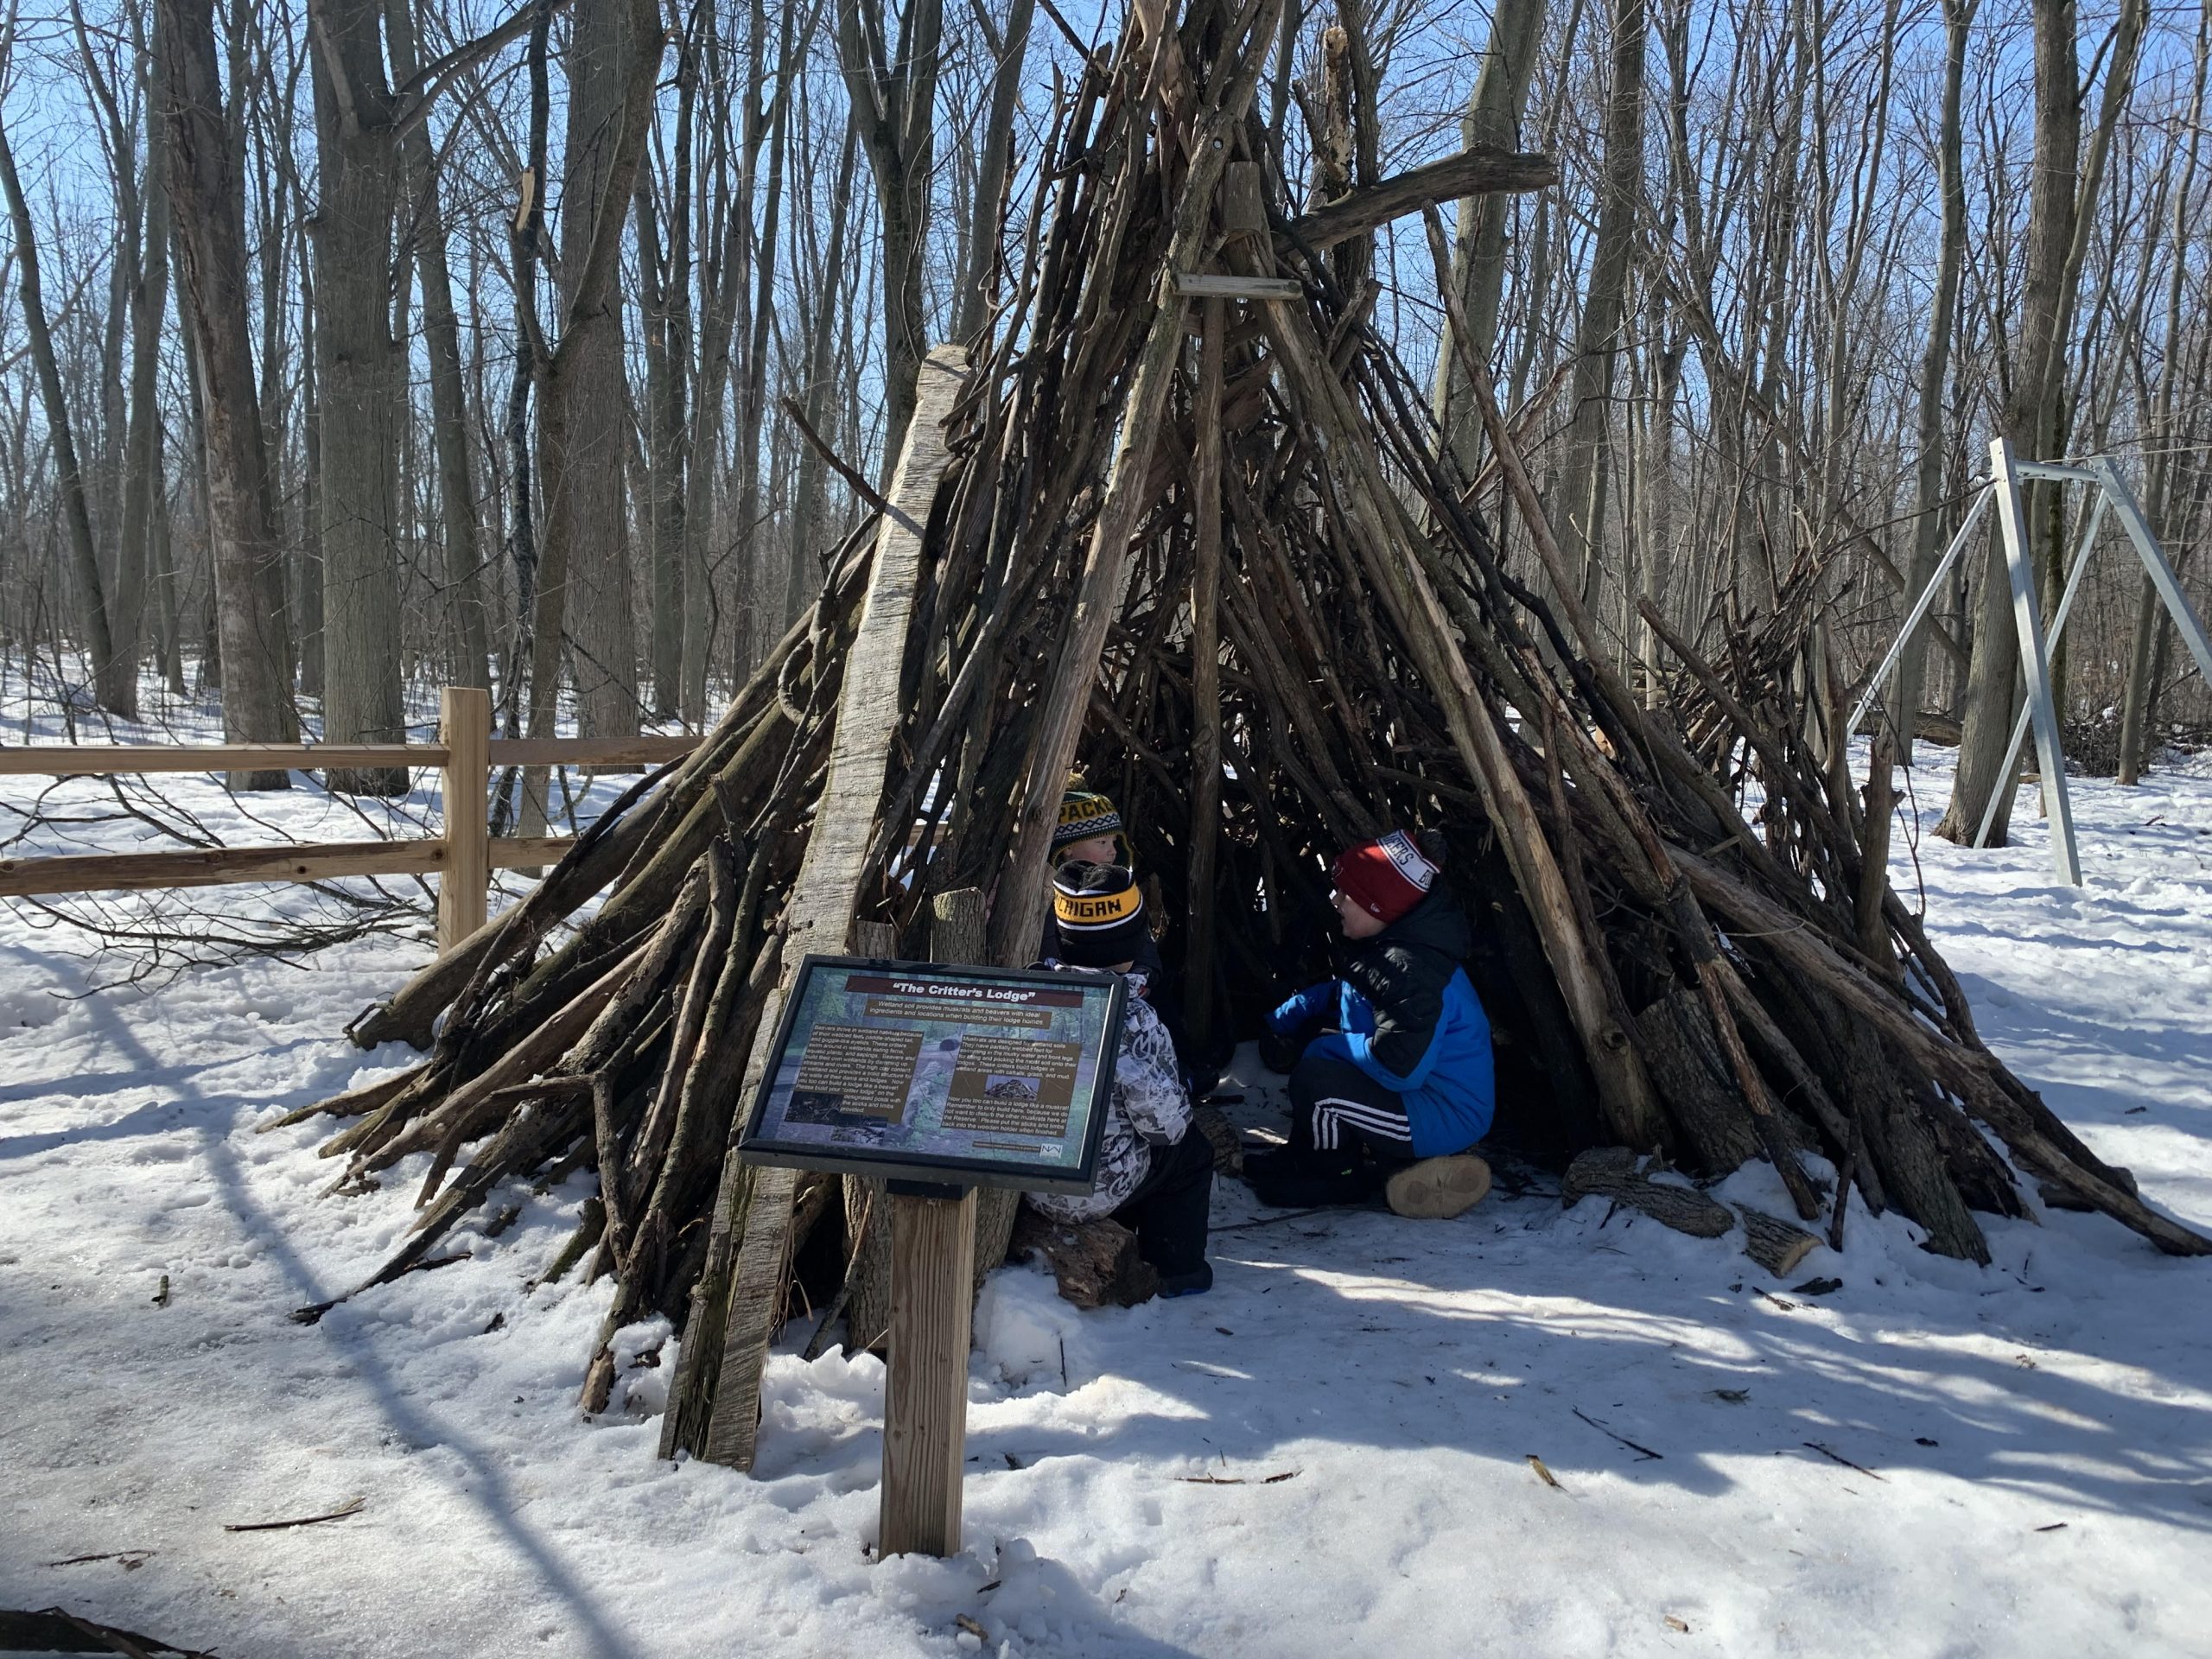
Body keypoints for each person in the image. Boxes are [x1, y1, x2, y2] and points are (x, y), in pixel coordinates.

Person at [1244, 830, 1496, 1219]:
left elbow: (1399, 1069)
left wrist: (1327, 1047)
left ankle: (1334, 1174)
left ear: (1378, 908)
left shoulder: (1413, 971)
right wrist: (1293, 1013)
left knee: (1319, 1082)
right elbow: (1351, 991)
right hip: (1422, 1098)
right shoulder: (1394, 950)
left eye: (1348, 895)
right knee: (1320, 1070)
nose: (1336, 901)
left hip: (1443, 1113)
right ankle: (1308, 1157)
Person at [1027, 861, 1215, 1296]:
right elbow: (1163, 1126)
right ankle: (1177, 1270)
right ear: (1134, 943)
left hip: (1029, 1182)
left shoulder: (1032, 997)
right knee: (1189, 1153)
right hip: (1093, 1191)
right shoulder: (1131, 1017)